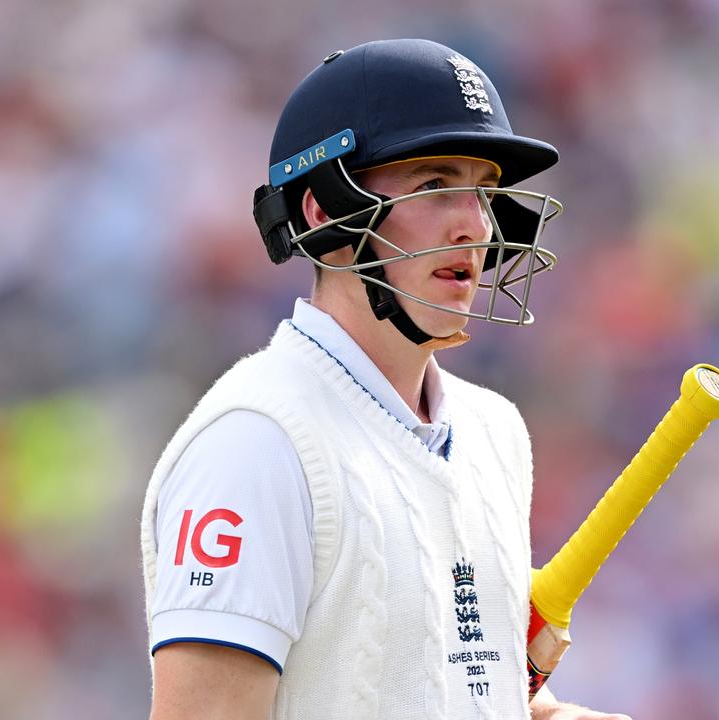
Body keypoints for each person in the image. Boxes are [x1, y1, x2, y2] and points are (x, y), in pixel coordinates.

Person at [140, 39, 632, 720]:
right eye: (435, 187)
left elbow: (445, 688)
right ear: (322, 210)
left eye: (483, 192)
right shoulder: (257, 440)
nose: (475, 226)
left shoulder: (495, 431)